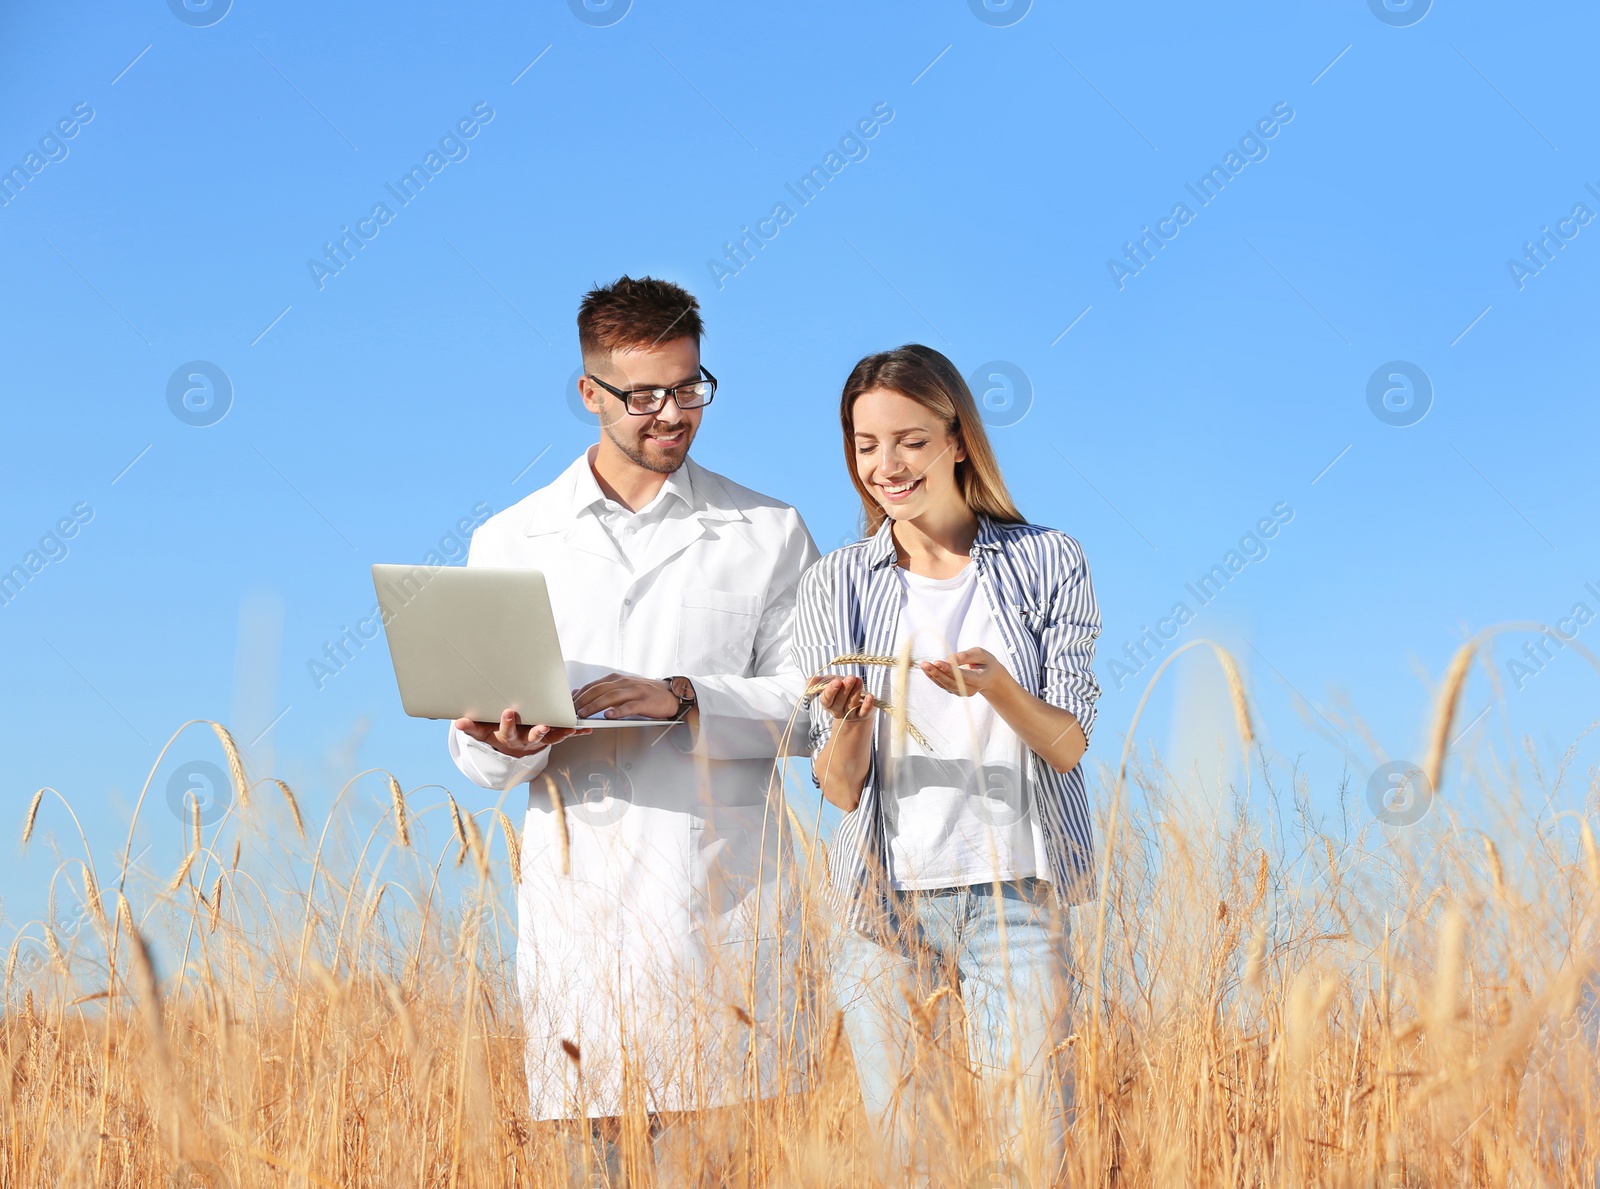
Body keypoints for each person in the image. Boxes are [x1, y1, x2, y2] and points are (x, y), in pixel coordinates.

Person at [447, 276, 819, 1181]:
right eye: (644, 394)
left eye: (690, 387)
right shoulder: (512, 538)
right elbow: (469, 746)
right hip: (580, 940)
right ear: (589, 393)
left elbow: (814, 710)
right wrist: (503, 744)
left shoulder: (767, 530)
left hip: (724, 928)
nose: (673, 413)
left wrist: (687, 698)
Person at [789, 344, 1101, 1185]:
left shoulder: (1049, 559)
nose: (885, 466)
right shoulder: (837, 583)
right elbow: (839, 785)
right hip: (883, 909)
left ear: (957, 438)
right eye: (865, 446)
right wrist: (846, 723)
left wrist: (997, 687)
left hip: (1016, 897)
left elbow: (1067, 743)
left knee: (1031, 1155)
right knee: (912, 1162)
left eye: (909, 441)